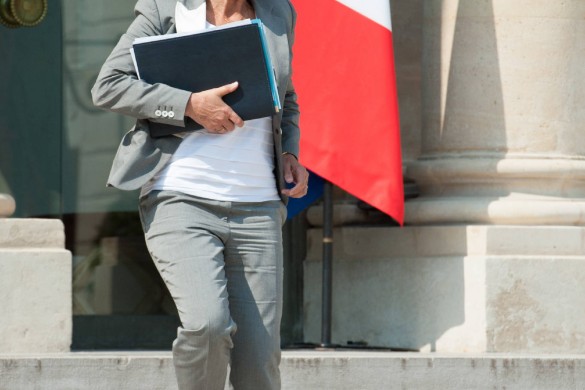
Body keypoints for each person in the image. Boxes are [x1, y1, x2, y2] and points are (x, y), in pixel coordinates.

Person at [91, 0, 308, 389]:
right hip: (180, 196)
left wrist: (290, 152)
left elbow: (285, 97)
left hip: (258, 204)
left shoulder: (278, 12)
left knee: (259, 360)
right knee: (207, 325)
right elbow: (109, 85)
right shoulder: (166, 9)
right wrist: (189, 105)